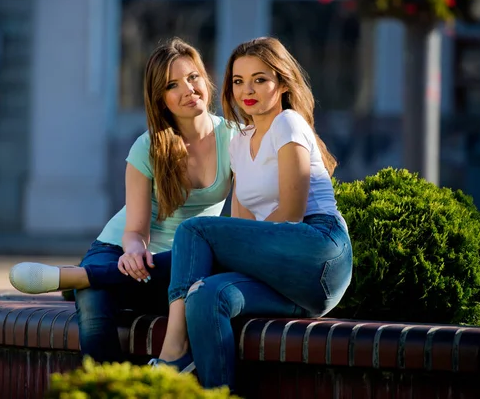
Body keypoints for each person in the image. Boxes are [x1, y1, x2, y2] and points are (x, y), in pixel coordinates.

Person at [8, 37, 237, 367]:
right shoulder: (148, 147)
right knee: (94, 311)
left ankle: (75, 276)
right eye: (173, 85)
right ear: (160, 100)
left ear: (206, 77)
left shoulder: (234, 138)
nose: (188, 90)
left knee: (195, 262)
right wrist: (132, 251)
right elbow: (134, 229)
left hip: (185, 261)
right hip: (120, 253)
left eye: (193, 77)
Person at [150, 37, 353, 390]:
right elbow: (244, 228)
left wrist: (212, 250)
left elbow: (290, 214)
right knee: (205, 296)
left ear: (283, 83)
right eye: (238, 80)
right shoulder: (239, 141)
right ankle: (217, 394)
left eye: (260, 79)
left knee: (195, 232)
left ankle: (172, 353)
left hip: (319, 250)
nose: (248, 90)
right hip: (289, 281)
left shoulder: (288, 124)